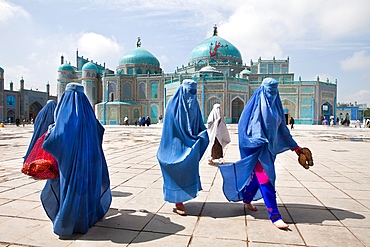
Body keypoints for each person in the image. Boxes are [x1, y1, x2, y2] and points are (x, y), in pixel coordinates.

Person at [218, 78, 305, 229]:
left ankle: (247, 198)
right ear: (263, 89)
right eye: (269, 90)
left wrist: (295, 147)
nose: (272, 93)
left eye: (274, 90)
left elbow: (282, 129)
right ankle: (275, 215)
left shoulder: (276, 108)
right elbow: (245, 128)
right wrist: (257, 140)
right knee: (267, 178)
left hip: (269, 150)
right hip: (256, 150)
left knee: (258, 178)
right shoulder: (253, 108)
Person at [40, 83, 112, 237]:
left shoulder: (65, 116)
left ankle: (68, 223)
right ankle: (86, 218)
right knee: (87, 188)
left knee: (71, 189)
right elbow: (100, 131)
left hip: (70, 163)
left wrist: (51, 131)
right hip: (92, 160)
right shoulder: (88, 114)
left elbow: (55, 140)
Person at [156, 79, 209, 216]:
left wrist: (201, 136)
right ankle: (177, 201)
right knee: (175, 170)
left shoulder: (194, 105)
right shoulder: (172, 106)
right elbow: (169, 129)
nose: (192, 95)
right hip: (174, 145)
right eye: (190, 92)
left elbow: (199, 124)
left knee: (187, 170)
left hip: (190, 143)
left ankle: (182, 196)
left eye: (194, 92)